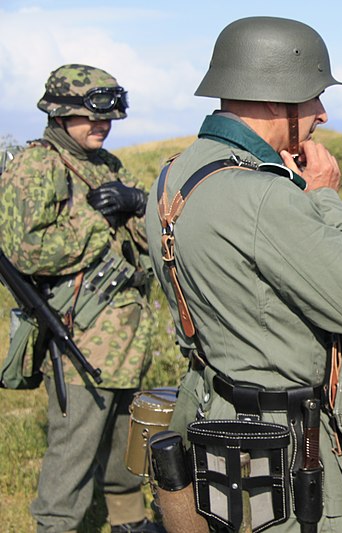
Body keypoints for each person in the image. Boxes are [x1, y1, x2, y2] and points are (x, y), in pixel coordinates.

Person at [144, 17, 342, 532]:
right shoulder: (263, 196)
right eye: (313, 96)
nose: (322, 113)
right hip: (285, 448)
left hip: (216, 414)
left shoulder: (172, 175)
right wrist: (323, 194)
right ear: (276, 100)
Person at [0, 64, 160, 532]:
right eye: (90, 116)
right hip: (79, 339)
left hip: (125, 338)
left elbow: (147, 241)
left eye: (109, 116)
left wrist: (136, 202)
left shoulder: (105, 164)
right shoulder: (38, 165)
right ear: (60, 114)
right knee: (72, 454)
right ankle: (56, 526)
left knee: (123, 447)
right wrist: (92, 220)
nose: (102, 124)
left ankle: (129, 522)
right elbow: (22, 251)